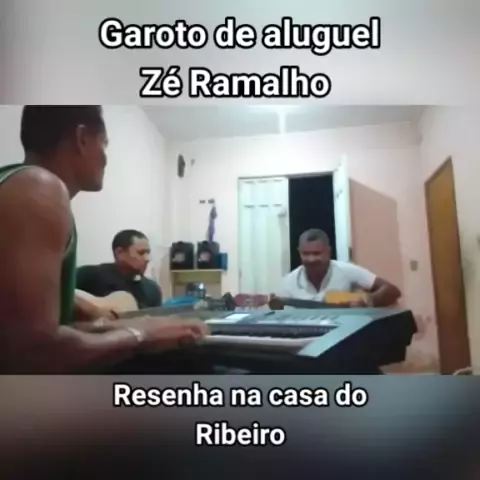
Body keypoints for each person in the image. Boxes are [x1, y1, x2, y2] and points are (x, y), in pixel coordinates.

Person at [0, 106, 208, 374]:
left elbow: (40, 332)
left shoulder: (15, 183)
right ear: (82, 139)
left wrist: (126, 326)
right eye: (104, 144)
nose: (105, 158)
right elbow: (31, 351)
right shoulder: (39, 188)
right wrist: (140, 336)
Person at [277, 229, 401, 307]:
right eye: (306, 254)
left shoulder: (346, 270)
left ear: (328, 251)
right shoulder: (289, 281)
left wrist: (370, 300)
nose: (311, 259)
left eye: (317, 253)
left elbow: (393, 290)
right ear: (299, 252)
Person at [76, 229, 162, 310]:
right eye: (141, 253)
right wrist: (92, 311)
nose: (147, 258)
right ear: (119, 253)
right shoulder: (90, 275)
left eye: (148, 253)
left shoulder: (152, 289)